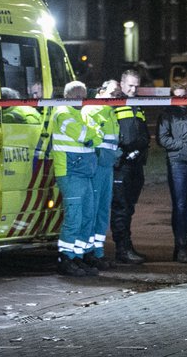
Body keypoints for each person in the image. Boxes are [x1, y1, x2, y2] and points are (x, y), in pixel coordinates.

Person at [50, 79, 101, 276]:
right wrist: (93, 136)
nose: (81, 99)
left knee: (87, 216)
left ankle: (78, 256)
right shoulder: (63, 113)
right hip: (70, 172)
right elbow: (86, 136)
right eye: (77, 96)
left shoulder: (79, 114)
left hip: (83, 172)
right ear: (67, 96)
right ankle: (65, 258)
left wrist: (93, 136)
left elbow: (97, 135)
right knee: (74, 217)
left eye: (83, 96)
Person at [157, 82, 187, 262]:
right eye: (178, 96)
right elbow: (162, 138)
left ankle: (182, 245)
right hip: (177, 163)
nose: (182, 99)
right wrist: (183, 145)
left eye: (184, 95)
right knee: (179, 206)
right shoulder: (166, 115)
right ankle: (181, 247)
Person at [110, 67, 150, 264]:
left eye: (137, 86)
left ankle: (127, 246)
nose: (134, 89)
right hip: (121, 164)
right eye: (130, 85)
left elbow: (142, 134)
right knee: (121, 207)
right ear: (122, 83)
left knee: (129, 207)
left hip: (136, 164)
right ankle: (122, 249)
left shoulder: (137, 105)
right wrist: (123, 153)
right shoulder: (114, 104)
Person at [88, 79, 122, 269]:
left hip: (107, 166)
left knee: (102, 210)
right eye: (112, 93)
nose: (115, 97)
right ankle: (89, 252)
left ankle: (98, 252)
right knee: (92, 210)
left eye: (117, 94)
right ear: (100, 92)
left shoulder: (110, 112)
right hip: (97, 167)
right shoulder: (92, 110)